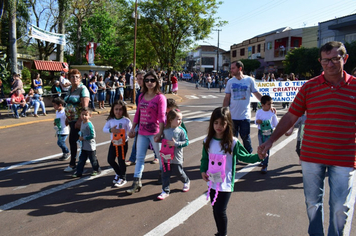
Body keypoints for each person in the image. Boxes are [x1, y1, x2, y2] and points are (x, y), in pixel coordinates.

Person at [258, 41, 356, 236]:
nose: (330, 64)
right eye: (325, 60)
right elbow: (290, 117)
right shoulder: (309, 87)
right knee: (313, 203)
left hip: (345, 157)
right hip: (312, 156)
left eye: (335, 59)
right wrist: (269, 141)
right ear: (320, 61)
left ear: (344, 59)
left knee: (340, 208)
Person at [200, 107, 264, 236]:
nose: (219, 126)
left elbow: (244, 157)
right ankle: (219, 232)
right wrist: (203, 170)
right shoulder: (207, 141)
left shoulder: (233, 142)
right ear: (212, 123)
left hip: (226, 183)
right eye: (216, 122)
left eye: (222, 123)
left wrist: (258, 157)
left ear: (228, 124)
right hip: (212, 181)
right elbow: (205, 158)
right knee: (215, 209)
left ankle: (223, 233)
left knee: (220, 210)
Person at [126, 70, 167, 194]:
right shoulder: (141, 96)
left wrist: (160, 133)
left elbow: (162, 116)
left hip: (155, 132)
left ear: (156, 82)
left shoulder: (160, 97)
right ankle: (136, 182)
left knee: (160, 156)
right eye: (147, 80)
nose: (149, 82)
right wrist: (133, 127)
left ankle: (163, 177)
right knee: (139, 158)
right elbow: (138, 113)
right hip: (142, 132)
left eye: (152, 80)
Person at [222, 61, 264, 153]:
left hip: (245, 116)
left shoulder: (249, 80)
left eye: (233, 68)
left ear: (240, 68)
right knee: (232, 139)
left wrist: (267, 104)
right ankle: (234, 156)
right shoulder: (230, 82)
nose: (231, 70)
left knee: (246, 137)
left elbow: (257, 94)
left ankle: (248, 155)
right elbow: (227, 98)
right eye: (231, 68)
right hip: (232, 116)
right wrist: (223, 112)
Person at [157, 109, 190, 200]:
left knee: (179, 172)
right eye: (178, 119)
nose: (180, 121)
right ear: (171, 119)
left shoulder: (181, 131)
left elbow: (186, 142)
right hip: (166, 156)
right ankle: (165, 191)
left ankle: (186, 181)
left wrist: (176, 144)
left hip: (176, 157)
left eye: (181, 119)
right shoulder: (165, 130)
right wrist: (158, 139)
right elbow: (162, 139)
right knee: (165, 174)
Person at [63, 69, 90, 173]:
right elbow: (68, 104)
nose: (75, 79)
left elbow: (84, 107)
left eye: (77, 77)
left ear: (80, 78)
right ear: (69, 78)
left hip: (79, 120)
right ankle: (86, 156)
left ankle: (73, 163)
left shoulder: (83, 89)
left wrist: (79, 120)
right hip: (71, 119)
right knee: (80, 140)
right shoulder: (70, 89)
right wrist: (67, 117)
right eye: (72, 77)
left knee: (73, 140)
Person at [103, 100, 132, 187]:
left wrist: (132, 133)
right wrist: (111, 130)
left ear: (123, 110)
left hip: (123, 144)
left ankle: (123, 178)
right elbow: (104, 129)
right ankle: (118, 173)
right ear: (113, 110)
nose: (118, 112)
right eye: (116, 109)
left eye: (120, 109)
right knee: (110, 160)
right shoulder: (110, 120)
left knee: (121, 160)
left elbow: (130, 131)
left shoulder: (126, 120)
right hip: (114, 143)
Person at [72, 108, 101, 177]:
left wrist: (84, 138)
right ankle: (79, 172)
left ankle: (96, 170)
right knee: (81, 160)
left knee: (93, 159)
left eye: (86, 115)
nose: (84, 116)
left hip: (90, 146)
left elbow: (93, 135)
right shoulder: (82, 123)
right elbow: (82, 131)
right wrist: (80, 136)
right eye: (82, 114)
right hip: (84, 146)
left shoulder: (89, 125)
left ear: (90, 115)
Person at [126, 70, 145, 166]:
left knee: (154, 140)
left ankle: (156, 156)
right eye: (138, 79)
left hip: (150, 120)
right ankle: (133, 158)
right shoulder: (139, 91)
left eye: (141, 79)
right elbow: (138, 109)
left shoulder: (148, 92)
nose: (139, 81)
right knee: (137, 139)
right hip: (140, 119)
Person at [255, 95, 278, 174]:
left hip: (269, 133)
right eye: (268, 104)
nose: (270, 106)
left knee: (266, 148)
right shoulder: (259, 112)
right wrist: (258, 121)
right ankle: (262, 160)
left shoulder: (272, 112)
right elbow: (256, 121)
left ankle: (265, 165)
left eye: (271, 104)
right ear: (263, 104)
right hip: (261, 132)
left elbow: (275, 123)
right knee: (261, 147)